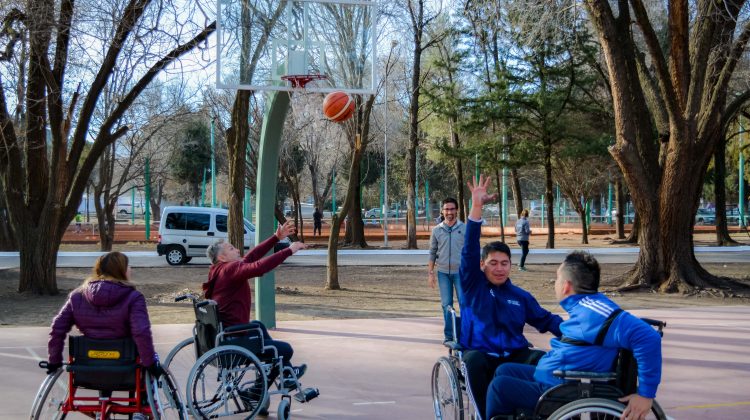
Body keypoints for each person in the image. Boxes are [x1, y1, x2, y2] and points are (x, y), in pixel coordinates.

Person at [486, 251, 662, 420]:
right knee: (505, 369)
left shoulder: (596, 313)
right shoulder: (586, 306)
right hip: (561, 379)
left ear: (566, 286)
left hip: (567, 388)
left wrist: (645, 395)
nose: (555, 283)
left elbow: (648, 337)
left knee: (499, 387)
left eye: (557, 278)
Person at [460, 175, 563, 419]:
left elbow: (547, 320)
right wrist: (476, 208)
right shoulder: (473, 285)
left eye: (504, 263)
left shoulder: (520, 296)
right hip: (481, 354)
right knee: (473, 361)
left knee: (541, 358)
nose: (499, 268)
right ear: (482, 265)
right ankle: (486, 415)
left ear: (510, 266)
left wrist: (581, 333)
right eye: (493, 263)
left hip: (514, 354)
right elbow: (469, 249)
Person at [203, 220, 307, 412]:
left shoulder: (218, 270)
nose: (237, 250)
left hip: (226, 335)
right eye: (231, 248)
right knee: (285, 350)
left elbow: (252, 258)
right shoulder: (230, 269)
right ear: (223, 257)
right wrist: (289, 250)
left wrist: (276, 238)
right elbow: (259, 267)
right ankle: (261, 388)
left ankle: (285, 377)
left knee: (258, 324)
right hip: (235, 340)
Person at [46, 251, 164, 381]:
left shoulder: (77, 296)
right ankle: (148, 398)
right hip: (125, 367)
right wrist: (150, 364)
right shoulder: (134, 297)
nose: (130, 269)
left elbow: (57, 327)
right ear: (121, 271)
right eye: (128, 266)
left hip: (86, 367)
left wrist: (54, 360)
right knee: (152, 360)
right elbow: (141, 332)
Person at [428, 197, 465, 343]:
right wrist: (430, 273)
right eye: (446, 209)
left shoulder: (464, 228)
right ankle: (450, 335)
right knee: (447, 304)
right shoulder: (437, 230)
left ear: (456, 210)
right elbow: (432, 252)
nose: (449, 212)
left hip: (461, 273)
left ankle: (465, 334)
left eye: (452, 209)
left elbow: (471, 251)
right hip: (443, 273)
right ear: (442, 211)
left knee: (464, 303)